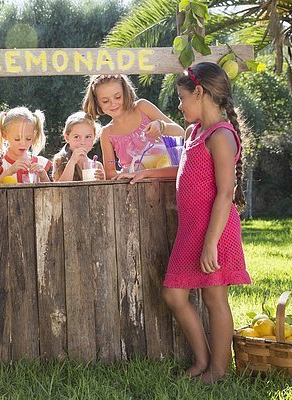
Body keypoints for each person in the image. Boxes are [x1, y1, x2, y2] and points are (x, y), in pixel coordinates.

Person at [115, 62, 251, 383]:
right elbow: (185, 171)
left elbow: (225, 193)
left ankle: (219, 371)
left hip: (214, 230)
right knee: (175, 295)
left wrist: (210, 243)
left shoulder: (221, 135)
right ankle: (203, 360)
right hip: (191, 230)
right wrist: (146, 171)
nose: (179, 105)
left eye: (181, 97)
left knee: (215, 298)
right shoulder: (193, 131)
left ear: (199, 93)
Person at [82, 74, 184, 178]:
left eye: (117, 97)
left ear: (125, 93)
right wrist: (127, 172)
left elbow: (181, 133)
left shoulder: (142, 107)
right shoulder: (107, 133)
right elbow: (110, 173)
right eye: (105, 101)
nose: (113, 103)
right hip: (135, 188)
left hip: (166, 178)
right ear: (97, 103)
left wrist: (161, 126)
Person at [0, 107, 52, 183]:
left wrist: (43, 176)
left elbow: (50, 191)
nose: (23, 143)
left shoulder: (40, 163)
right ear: (4, 135)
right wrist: (10, 171)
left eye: (28, 138)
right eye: (17, 139)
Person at [52, 111, 105, 181]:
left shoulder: (97, 166)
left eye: (88, 137)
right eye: (77, 137)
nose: (83, 142)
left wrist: (102, 180)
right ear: (67, 138)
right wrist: (72, 162)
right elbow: (60, 189)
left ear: (94, 138)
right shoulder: (59, 161)